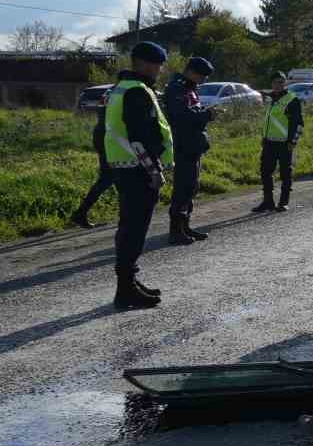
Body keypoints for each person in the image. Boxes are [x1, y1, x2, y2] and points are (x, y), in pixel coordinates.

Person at [104, 41, 173, 310]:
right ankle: (125, 290)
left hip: (124, 166)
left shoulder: (120, 89)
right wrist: (154, 170)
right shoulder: (136, 92)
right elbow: (140, 137)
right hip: (137, 168)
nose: (159, 69)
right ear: (144, 63)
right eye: (157, 64)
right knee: (134, 229)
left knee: (129, 226)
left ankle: (130, 282)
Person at [163, 56, 215, 245]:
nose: (204, 80)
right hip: (183, 146)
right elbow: (182, 117)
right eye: (202, 76)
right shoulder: (177, 88)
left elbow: (193, 114)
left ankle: (185, 226)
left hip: (193, 145)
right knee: (182, 188)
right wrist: (207, 115)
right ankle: (175, 231)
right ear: (191, 71)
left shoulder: (189, 88)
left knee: (191, 188)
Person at [254, 72, 304, 214]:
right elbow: (269, 122)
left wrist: (292, 142)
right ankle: (268, 202)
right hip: (269, 142)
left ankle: (283, 203)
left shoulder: (292, 99)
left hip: (284, 143)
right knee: (265, 172)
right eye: (276, 82)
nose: (278, 85)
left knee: (285, 174)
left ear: (285, 83)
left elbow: (299, 124)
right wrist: (264, 137)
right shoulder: (272, 99)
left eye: (281, 82)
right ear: (272, 83)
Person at [68, 95, 115, 229]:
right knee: (108, 178)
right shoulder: (128, 91)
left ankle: (81, 213)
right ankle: (80, 213)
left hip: (102, 135)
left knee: (113, 178)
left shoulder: (111, 92)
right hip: (111, 138)